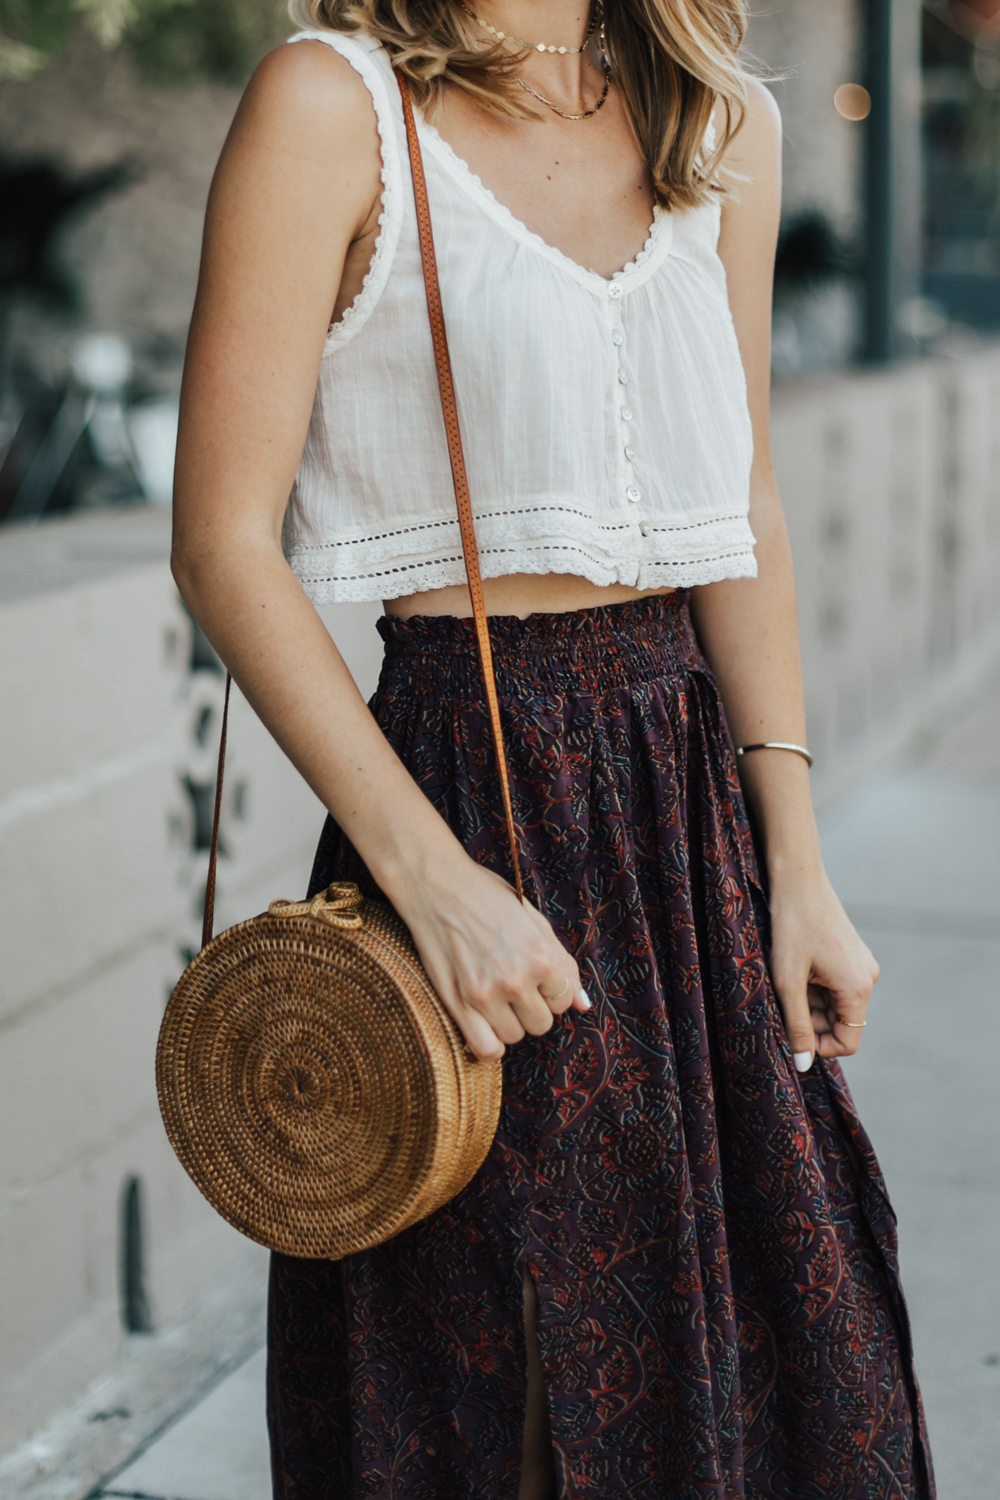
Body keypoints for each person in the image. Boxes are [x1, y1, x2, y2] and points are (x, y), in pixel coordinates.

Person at [171, 0, 935, 1494]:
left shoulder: (721, 122)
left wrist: (799, 860)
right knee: (501, 1383)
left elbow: (745, 505)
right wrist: (434, 881)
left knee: (791, 1363)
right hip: (464, 785)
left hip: (692, 807)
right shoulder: (334, 109)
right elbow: (220, 545)